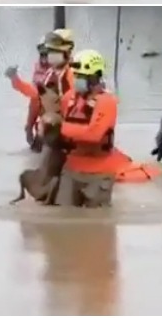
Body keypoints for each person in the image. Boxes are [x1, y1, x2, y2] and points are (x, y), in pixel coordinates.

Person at [57, 49, 119, 207]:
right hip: (71, 170)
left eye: (81, 76)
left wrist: (61, 127)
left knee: (97, 227)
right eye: (76, 75)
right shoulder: (69, 98)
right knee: (62, 221)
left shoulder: (107, 102)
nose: (77, 79)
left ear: (94, 77)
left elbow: (94, 134)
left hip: (99, 174)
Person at [6, 28, 75, 151]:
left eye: (48, 53)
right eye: (42, 53)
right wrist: (29, 126)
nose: (45, 57)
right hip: (50, 121)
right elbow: (34, 96)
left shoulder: (70, 71)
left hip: (64, 122)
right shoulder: (47, 72)